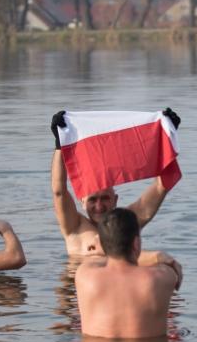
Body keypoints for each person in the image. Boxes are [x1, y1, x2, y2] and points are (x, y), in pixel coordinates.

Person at [50, 108, 180, 256]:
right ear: (82, 201)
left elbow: (160, 187)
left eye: (105, 198)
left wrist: (168, 135)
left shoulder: (126, 222)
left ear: (115, 200)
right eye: (93, 200)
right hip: (79, 277)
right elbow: (58, 191)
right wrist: (60, 146)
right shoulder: (75, 227)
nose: (99, 206)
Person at [75, 209, 183, 338]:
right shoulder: (161, 278)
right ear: (136, 244)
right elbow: (169, 266)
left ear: (103, 246)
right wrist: (158, 256)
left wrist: (107, 247)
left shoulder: (84, 276)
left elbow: (97, 260)